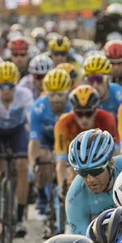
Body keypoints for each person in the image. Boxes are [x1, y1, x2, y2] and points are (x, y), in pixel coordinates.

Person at [0, 61, 33, 237]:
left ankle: (19, 218)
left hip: (16, 131)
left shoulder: (25, 95)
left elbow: (32, 124)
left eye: (10, 86)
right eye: (2, 86)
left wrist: (32, 151)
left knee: (23, 165)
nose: (6, 90)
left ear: (16, 84)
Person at [64, 129, 122, 234]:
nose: (90, 179)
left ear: (111, 163)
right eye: (82, 172)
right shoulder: (75, 197)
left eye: (95, 171)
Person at [54, 85, 117, 190]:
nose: (84, 119)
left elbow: (115, 153)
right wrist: (62, 187)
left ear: (96, 110)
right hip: (76, 159)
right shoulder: (62, 124)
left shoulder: (107, 118)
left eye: (88, 113)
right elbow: (60, 163)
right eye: (79, 113)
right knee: (71, 173)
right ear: (73, 111)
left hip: (98, 157)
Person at [28, 68, 71, 217]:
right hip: (47, 137)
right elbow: (34, 140)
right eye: (52, 94)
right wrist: (33, 164)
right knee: (43, 158)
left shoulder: (74, 105)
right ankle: (42, 196)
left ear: (68, 92)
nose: (57, 99)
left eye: (60, 94)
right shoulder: (38, 107)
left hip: (67, 138)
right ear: (46, 93)